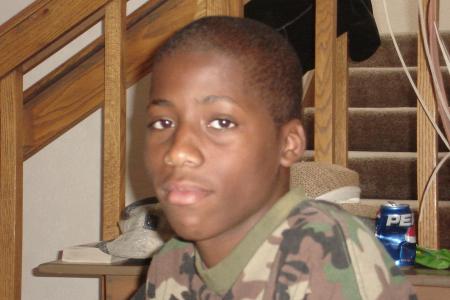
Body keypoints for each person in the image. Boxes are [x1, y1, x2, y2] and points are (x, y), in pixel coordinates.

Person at [141, 16, 415, 299]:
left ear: (288, 144)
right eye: (162, 123)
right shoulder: (171, 262)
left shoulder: (326, 254)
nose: (177, 151)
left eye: (221, 122)